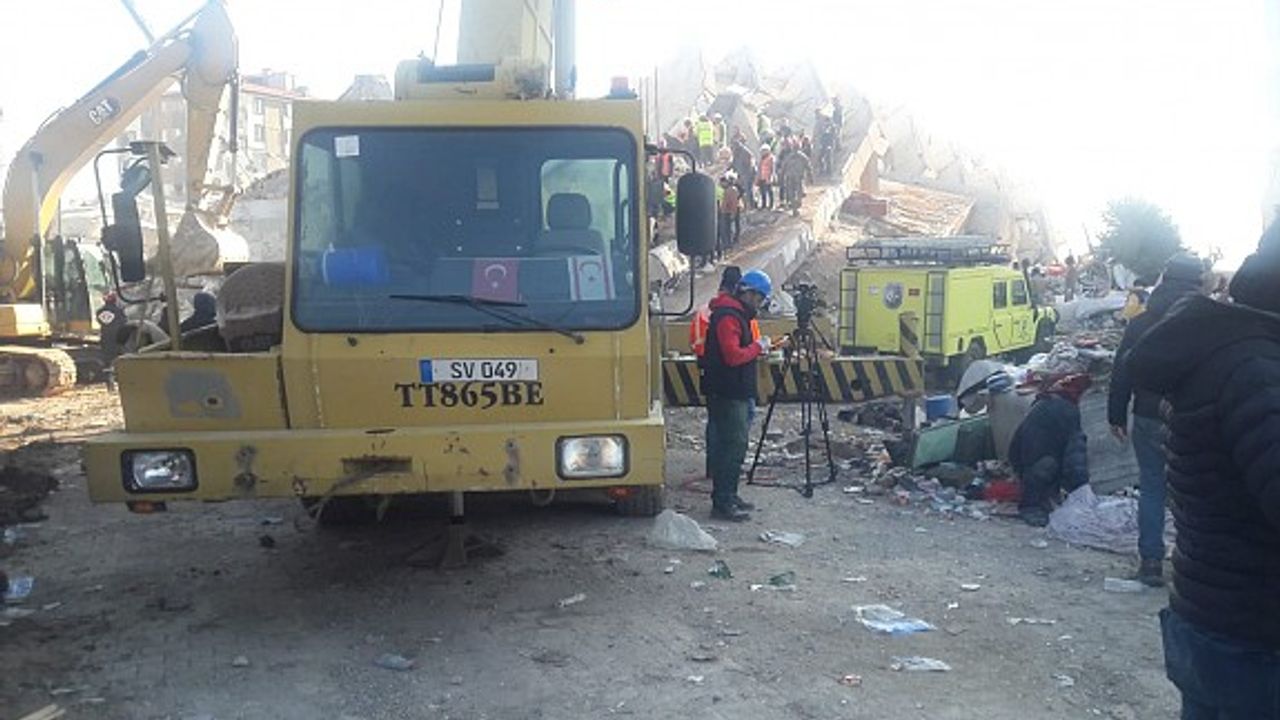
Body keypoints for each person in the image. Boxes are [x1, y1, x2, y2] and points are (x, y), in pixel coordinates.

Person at [1127, 223, 1280, 718]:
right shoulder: (1256, 370)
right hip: (1252, 637)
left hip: (1216, 616)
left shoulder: (1230, 348)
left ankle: (1148, 557)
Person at [1107, 253, 1205, 586]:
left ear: (1164, 277)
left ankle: (1151, 563)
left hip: (1148, 415)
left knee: (1151, 487)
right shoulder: (1206, 324)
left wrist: (1115, 415)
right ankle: (1195, 566)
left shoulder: (1141, 322)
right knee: (1195, 492)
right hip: (1193, 420)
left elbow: (1122, 372)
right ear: (1199, 282)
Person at [702, 269, 778, 521]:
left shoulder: (735, 314)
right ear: (749, 293)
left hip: (734, 389)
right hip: (728, 392)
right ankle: (723, 502)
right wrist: (757, 347)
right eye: (759, 298)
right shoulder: (728, 317)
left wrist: (755, 349)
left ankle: (729, 495)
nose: (759, 304)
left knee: (735, 446)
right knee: (731, 447)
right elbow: (733, 356)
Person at [1008, 373, 1092, 527]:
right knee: (1047, 465)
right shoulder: (1068, 410)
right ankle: (1032, 506)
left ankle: (1039, 501)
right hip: (1038, 464)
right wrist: (1082, 487)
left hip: (1025, 460)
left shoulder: (1043, 403)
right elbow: (1075, 453)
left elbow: (1017, 439)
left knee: (1047, 464)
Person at [717, 175, 741, 257]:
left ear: (725, 182)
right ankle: (727, 245)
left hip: (728, 212)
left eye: (722, 183)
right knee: (725, 230)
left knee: (725, 230)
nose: (721, 185)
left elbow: (734, 203)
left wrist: (733, 213)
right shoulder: (727, 190)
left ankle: (728, 245)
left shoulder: (731, 191)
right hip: (726, 212)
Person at [757, 145, 776, 210]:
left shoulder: (771, 158)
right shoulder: (762, 158)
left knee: (769, 191)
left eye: (764, 151)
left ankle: (771, 205)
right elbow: (759, 168)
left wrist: (771, 177)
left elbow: (772, 168)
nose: (762, 152)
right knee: (762, 192)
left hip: (768, 177)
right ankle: (763, 204)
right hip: (762, 177)